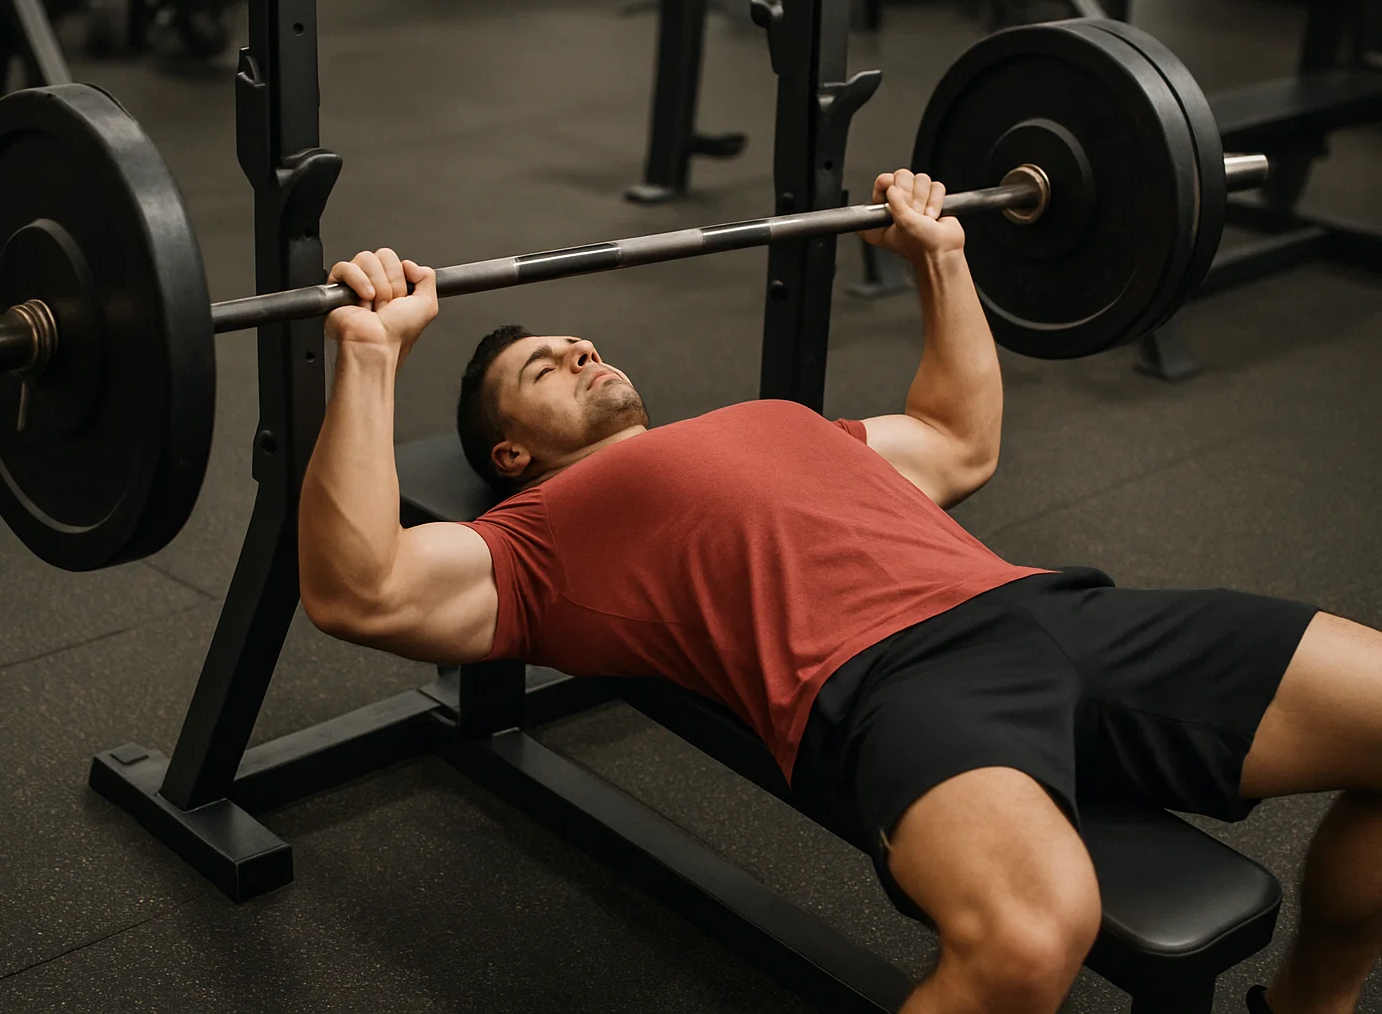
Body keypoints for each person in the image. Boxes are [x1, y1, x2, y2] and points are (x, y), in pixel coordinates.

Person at [297, 169, 1382, 1014]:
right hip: (898, 685)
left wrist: (940, 257)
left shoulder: (775, 421)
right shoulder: (537, 535)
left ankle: (1308, 1002)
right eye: (544, 367)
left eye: (578, 340)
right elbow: (362, 590)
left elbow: (959, 443)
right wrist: (368, 356)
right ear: (511, 455)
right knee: (1028, 937)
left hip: (1056, 610)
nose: (580, 347)